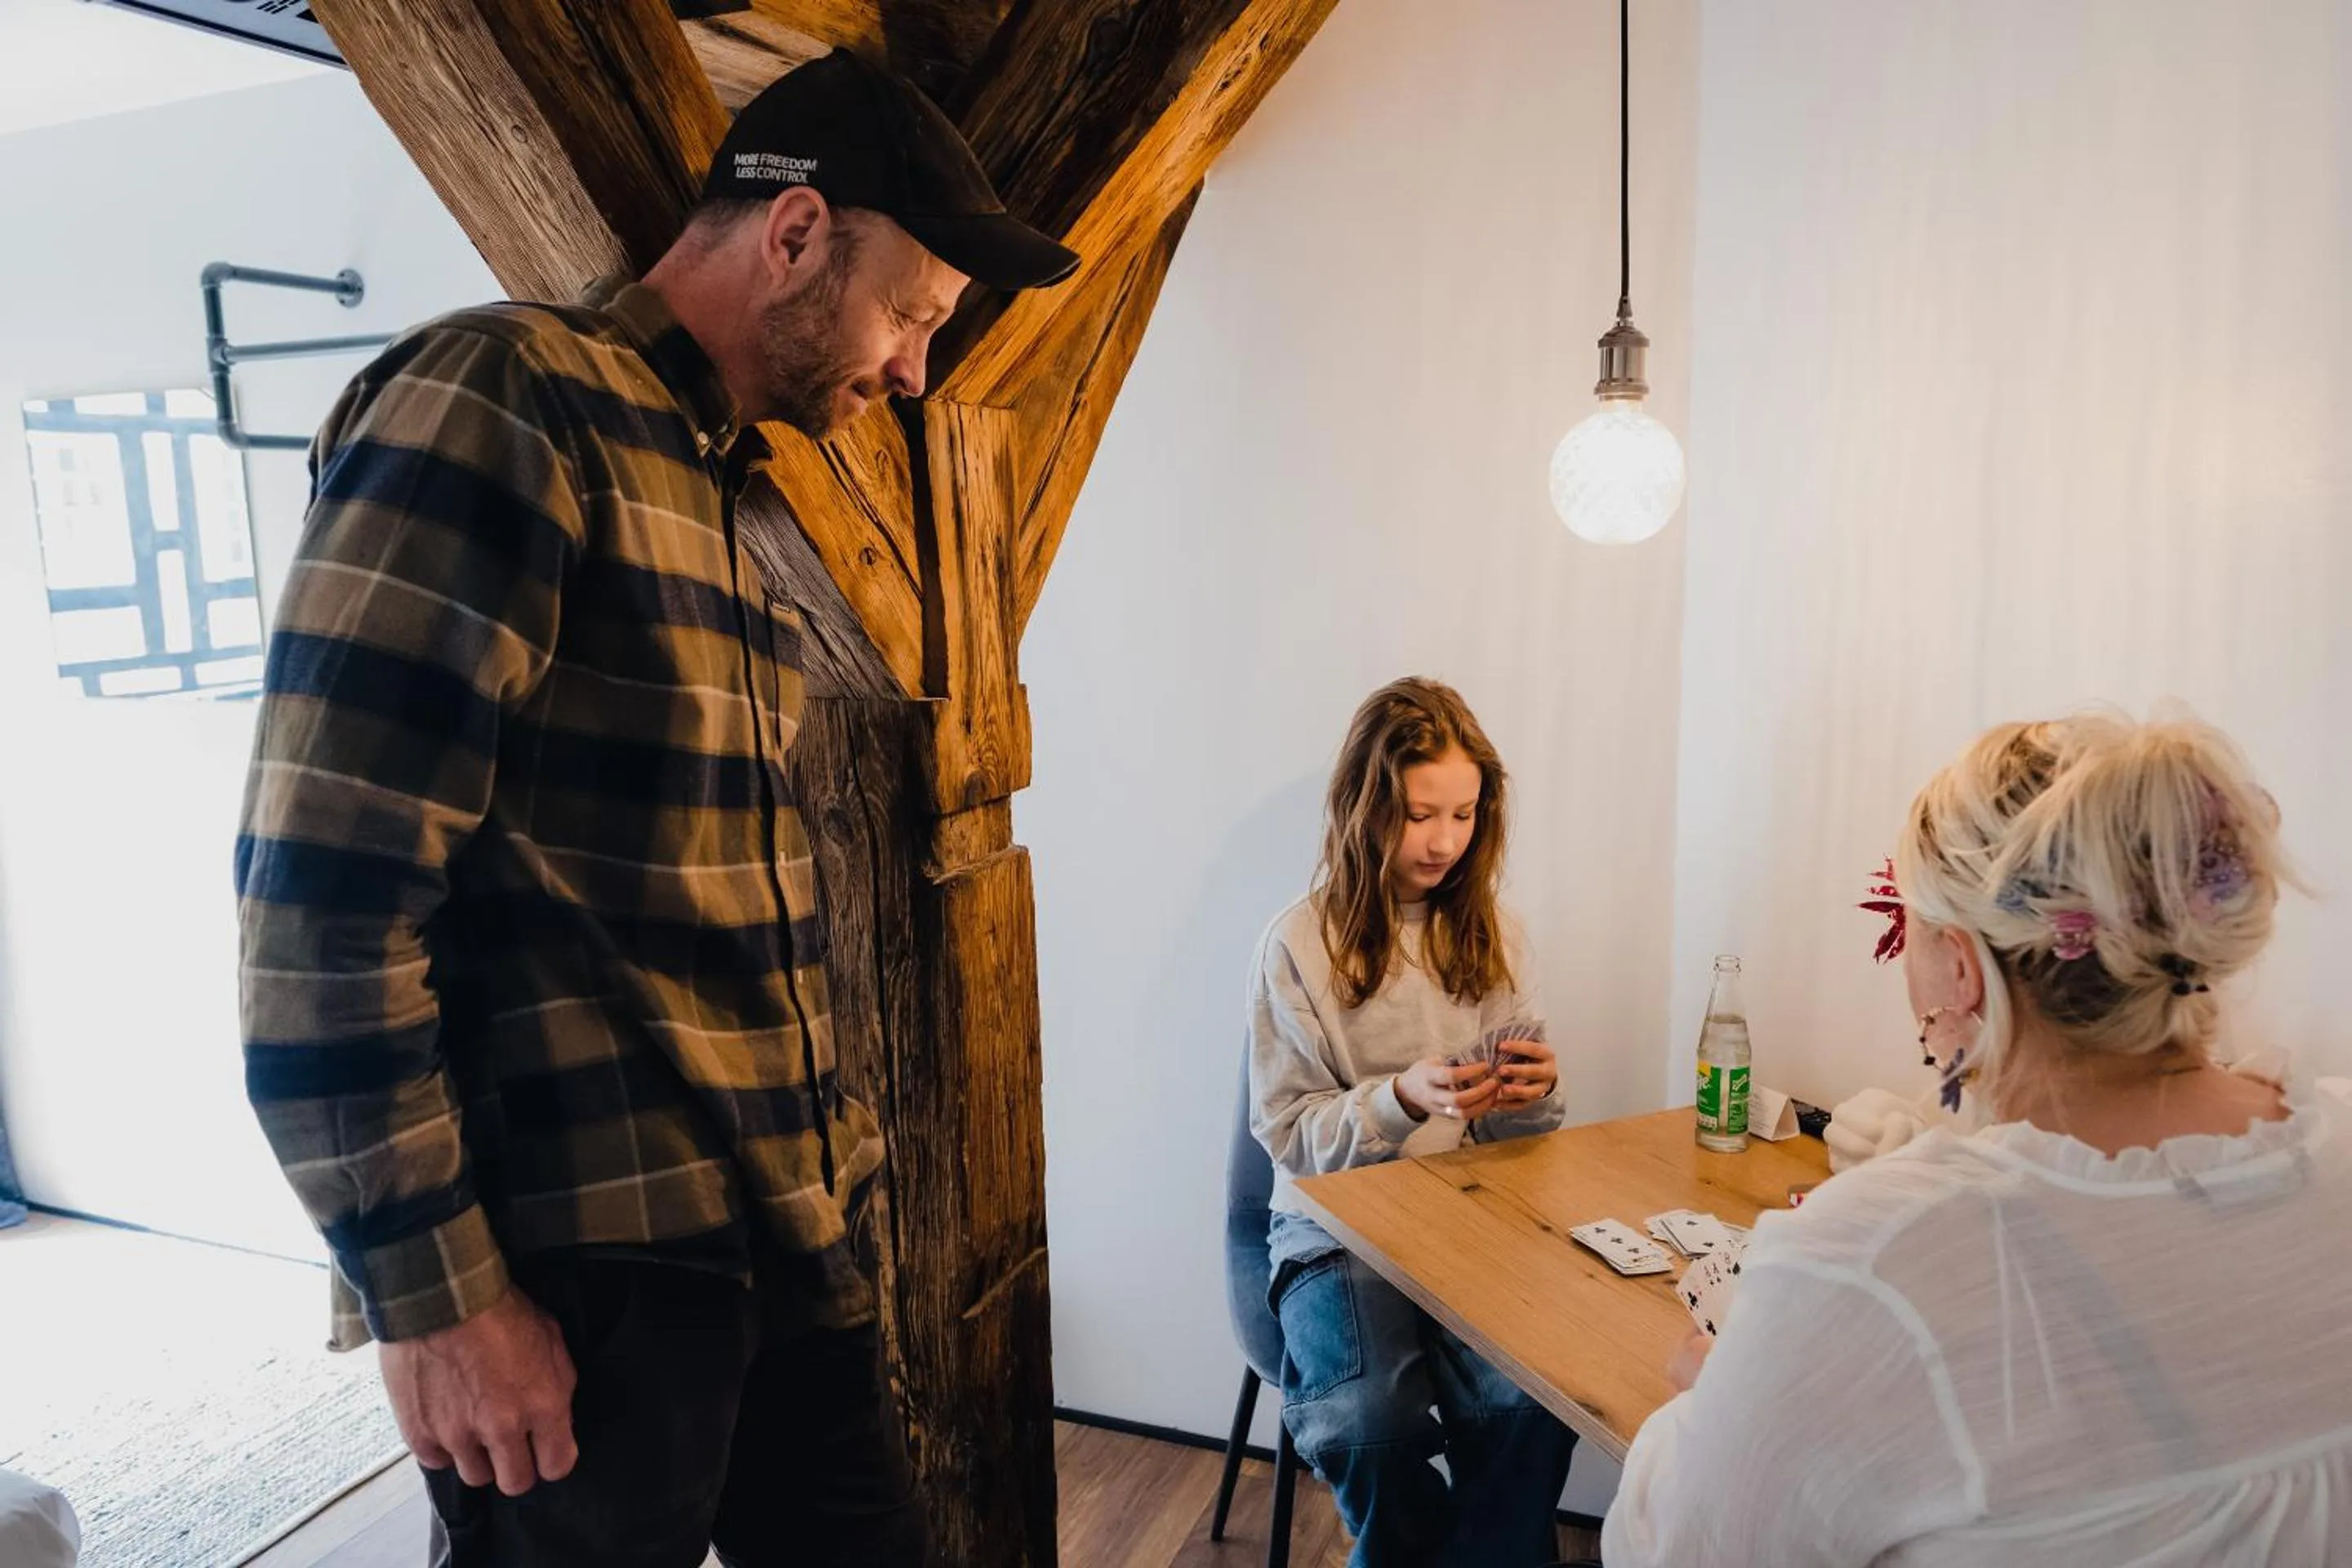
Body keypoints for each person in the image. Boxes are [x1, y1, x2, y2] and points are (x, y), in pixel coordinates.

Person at [234, 50, 1076, 1568]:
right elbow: (322, 900)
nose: (912, 374)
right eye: (912, 316)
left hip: (779, 1256)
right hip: (581, 1281)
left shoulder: (711, 489)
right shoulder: (501, 399)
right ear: (799, 232)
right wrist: (437, 1300)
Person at [1602, 710, 2352, 1565]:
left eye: (1912, 926)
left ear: (1960, 966)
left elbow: (1678, 1549)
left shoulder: (1866, 1259)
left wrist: (1724, 1402)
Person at [1250, 678, 1579, 1567]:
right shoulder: (1299, 943)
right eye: (1419, 814)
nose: (1444, 841)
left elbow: (1526, 1145)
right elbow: (1286, 1133)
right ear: (1366, 807)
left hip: (1466, 1213)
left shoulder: (1497, 934)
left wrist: (1534, 1095)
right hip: (1333, 1227)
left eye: (1465, 814)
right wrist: (1401, 1100)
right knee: (1367, 1424)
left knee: (1534, 1405)